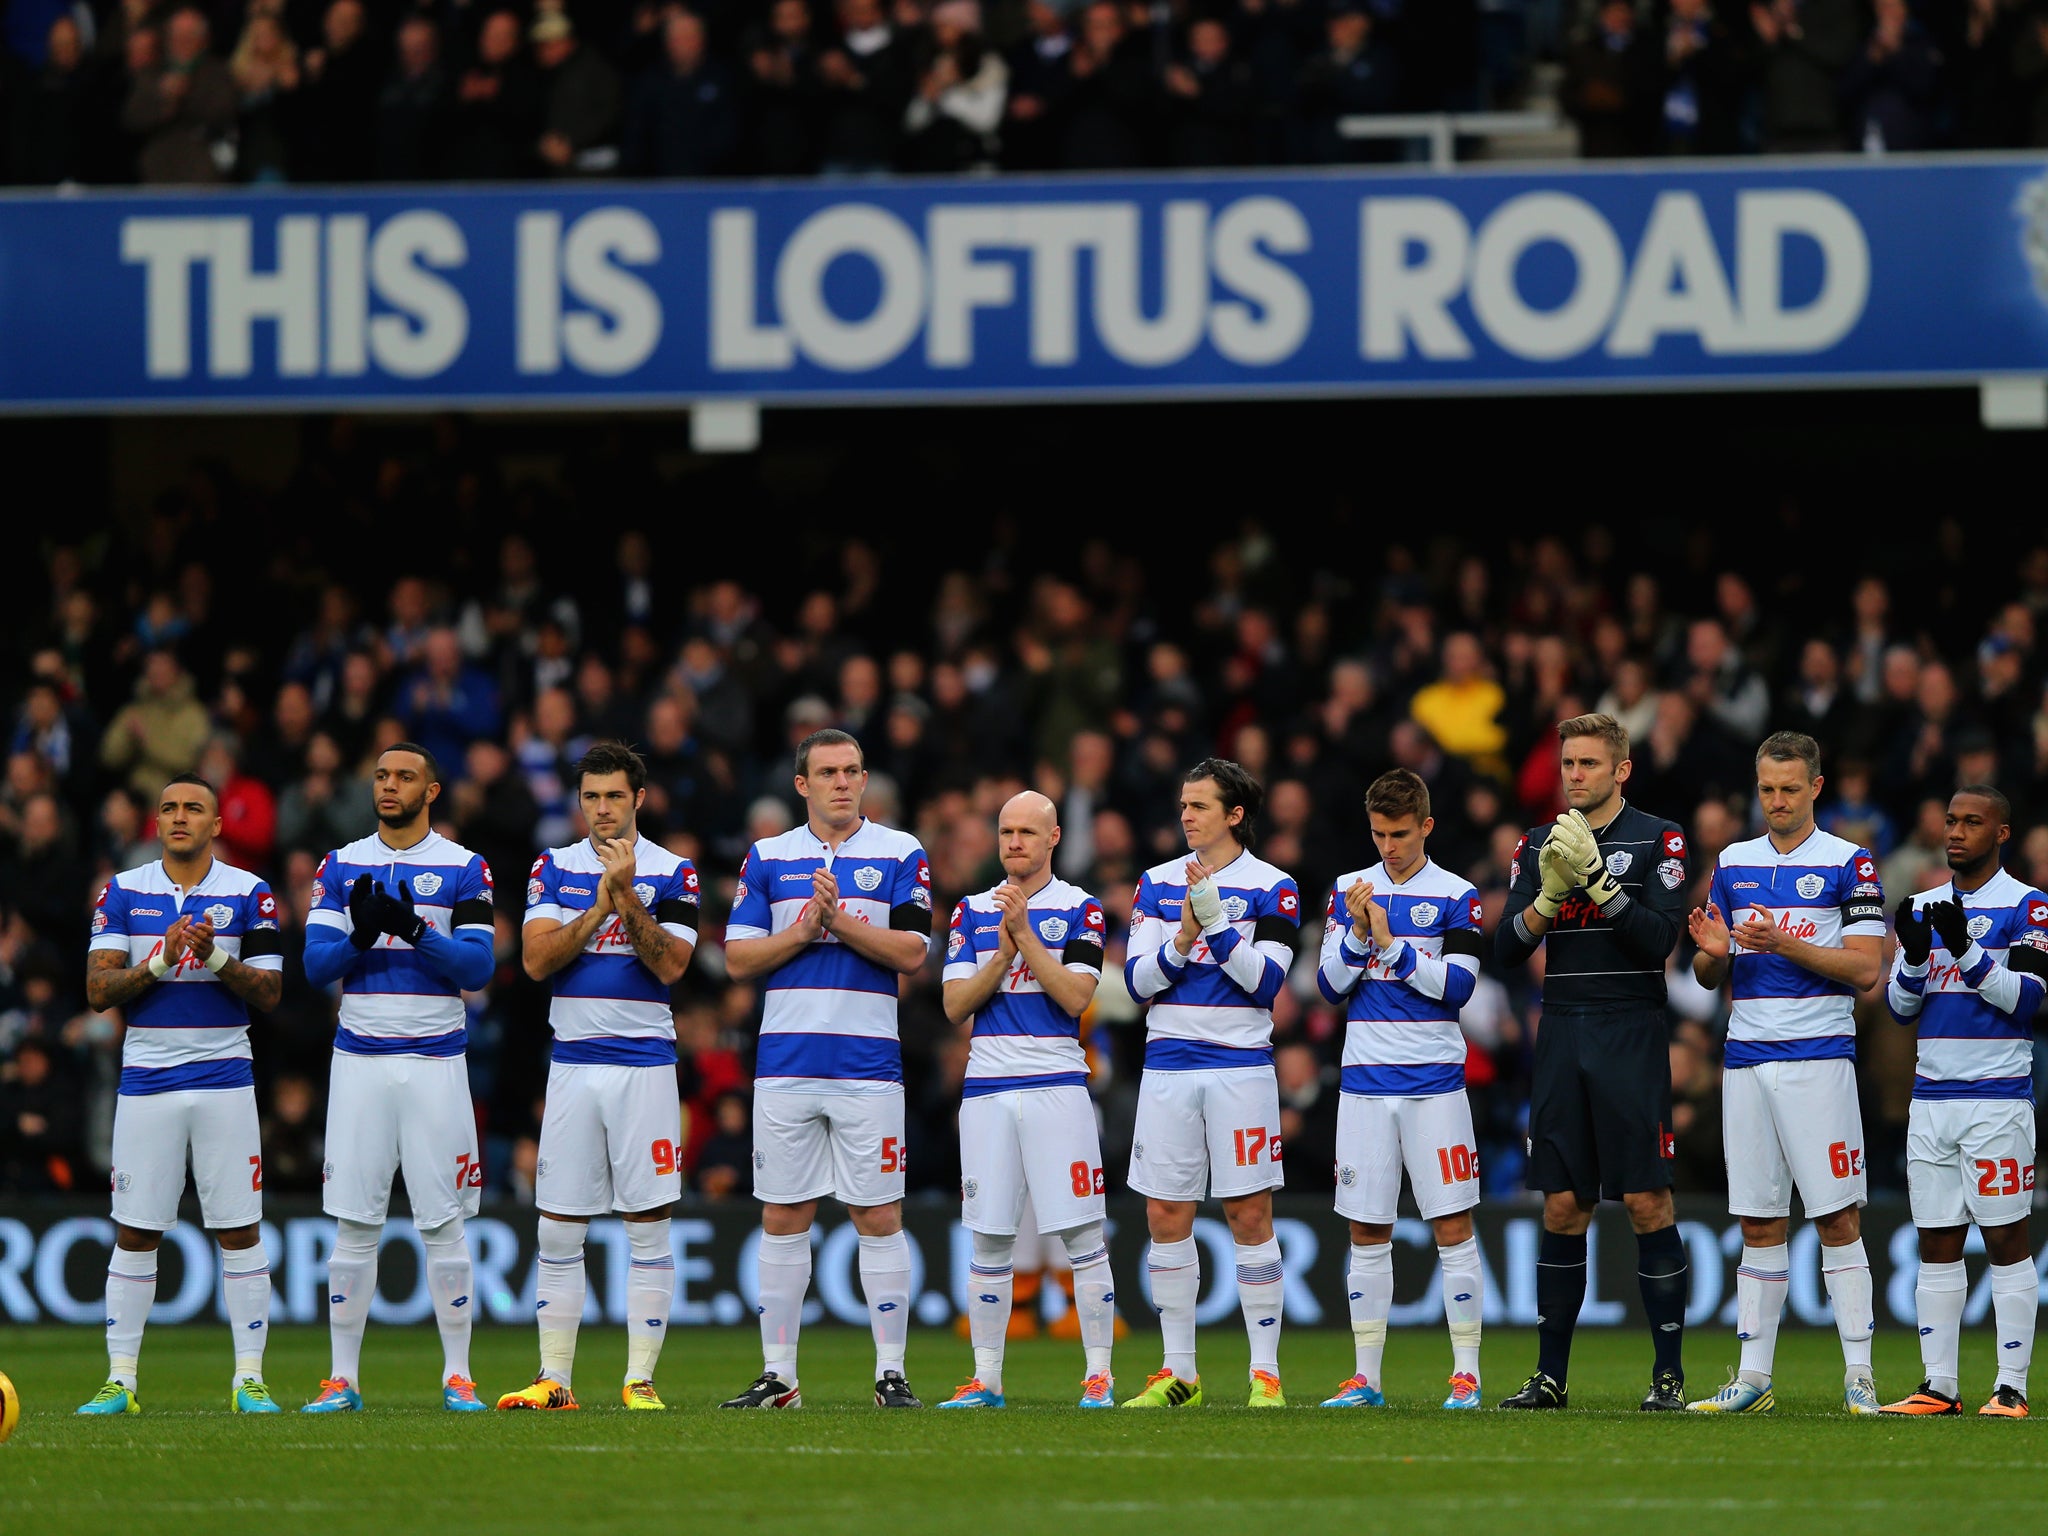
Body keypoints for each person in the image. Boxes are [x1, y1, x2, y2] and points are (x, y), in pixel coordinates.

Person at [718, 728, 933, 1410]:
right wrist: (804, 930)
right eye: (828, 772)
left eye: (852, 771)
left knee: (877, 1213)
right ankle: (779, 1376)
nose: (843, 782)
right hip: (786, 1063)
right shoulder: (767, 857)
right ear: (802, 785)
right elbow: (738, 958)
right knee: (783, 1214)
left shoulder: (901, 851)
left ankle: (890, 1375)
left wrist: (837, 924)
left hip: (868, 1064)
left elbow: (912, 951)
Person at [1685, 732, 1885, 1415]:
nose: (1776, 800)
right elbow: (1709, 971)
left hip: (1818, 1060)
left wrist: (1785, 942)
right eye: (1767, 789)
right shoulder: (1733, 864)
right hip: (1745, 1059)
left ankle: (1860, 1375)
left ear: (1816, 788)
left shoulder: (1849, 864)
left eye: (1790, 788)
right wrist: (1713, 954)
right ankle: (1754, 1379)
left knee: (1836, 1218)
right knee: (1759, 1221)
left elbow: (1865, 969)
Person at [1495, 713, 1691, 1411]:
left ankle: (1667, 1376)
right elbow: (1508, 948)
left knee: (1644, 1199)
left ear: (1621, 770)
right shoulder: (1538, 841)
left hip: (1629, 1028)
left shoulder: (1657, 837)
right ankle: (1550, 1377)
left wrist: (1602, 886)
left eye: (1588, 764)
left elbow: (1659, 941)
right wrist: (1550, 896)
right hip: (1563, 1031)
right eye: (1568, 764)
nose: (1575, 775)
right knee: (1561, 1205)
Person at [76, 774, 286, 1416]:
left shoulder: (251, 892)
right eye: (168, 808)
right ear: (156, 821)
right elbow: (97, 990)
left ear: (217, 824)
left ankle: (249, 1380)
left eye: (193, 808)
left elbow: (272, 993)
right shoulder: (124, 890)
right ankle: (122, 1382)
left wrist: (217, 959)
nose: (179, 817)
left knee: (240, 1230)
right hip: (148, 1078)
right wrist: (160, 962)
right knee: (136, 1232)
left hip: (225, 1073)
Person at [500, 741, 697, 1411]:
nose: (603, 809)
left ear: (639, 799)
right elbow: (535, 961)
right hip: (574, 1063)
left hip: (643, 1064)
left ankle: (640, 1380)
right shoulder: (552, 868)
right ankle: (554, 1379)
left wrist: (630, 898)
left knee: (647, 1223)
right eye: (591, 797)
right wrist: (599, 907)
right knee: (557, 1227)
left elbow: (672, 966)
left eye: (615, 795)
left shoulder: (675, 870)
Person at [300, 744, 497, 1414]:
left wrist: (409, 926)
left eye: (404, 776)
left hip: (436, 1061)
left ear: (432, 790)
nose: (389, 785)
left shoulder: (464, 867)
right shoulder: (340, 863)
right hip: (358, 1058)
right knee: (355, 1221)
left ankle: (458, 1375)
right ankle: (342, 1380)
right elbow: (314, 966)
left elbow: (476, 968)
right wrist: (362, 937)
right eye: (381, 774)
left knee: (442, 1223)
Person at [1120, 757, 1301, 1408]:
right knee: (1165, 1213)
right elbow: (1137, 983)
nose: (1186, 816)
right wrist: (1183, 937)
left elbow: (1268, 983)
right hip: (1168, 1062)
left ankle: (1266, 1375)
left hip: (1238, 1066)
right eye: (1183, 805)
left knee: (1248, 1212)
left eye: (1199, 806)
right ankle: (1180, 1375)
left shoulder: (1274, 886)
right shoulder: (1155, 883)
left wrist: (1217, 927)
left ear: (1235, 814)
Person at [1314, 768, 1486, 1410]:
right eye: (1380, 834)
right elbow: (1328, 989)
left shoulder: (1458, 895)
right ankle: (1367, 1379)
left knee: (1451, 1224)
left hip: (1434, 1084)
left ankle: (1465, 1374)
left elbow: (1461, 988)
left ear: (1427, 827)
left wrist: (1390, 944)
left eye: (1402, 834)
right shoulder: (1346, 891)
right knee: (1366, 1229)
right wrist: (1360, 935)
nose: (1390, 847)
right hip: (1363, 1084)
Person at [935, 791, 1113, 1409]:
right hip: (986, 1088)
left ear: (1053, 838)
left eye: (1027, 833)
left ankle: (1098, 1376)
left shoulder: (1081, 908)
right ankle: (986, 1380)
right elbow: (955, 1005)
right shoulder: (969, 911)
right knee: (989, 1238)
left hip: (1056, 1085)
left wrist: (1023, 937)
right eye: (1006, 831)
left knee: (1084, 1235)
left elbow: (1075, 997)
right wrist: (1005, 951)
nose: (1014, 843)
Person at [1881, 786, 2046, 1417]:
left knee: (2006, 1239)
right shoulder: (1922, 904)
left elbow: (2027, 1000)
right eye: (1951, 821)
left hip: (1997, 1098)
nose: (1957, 832)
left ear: (2001, 833)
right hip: (1931, 1098)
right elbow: (1900, 1010)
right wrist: (1918, 959)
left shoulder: (2029, 907)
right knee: (1937, 1241)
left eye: (1973, 822)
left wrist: (1970, 954)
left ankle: (2011, 1388)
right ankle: (1939, 1387)